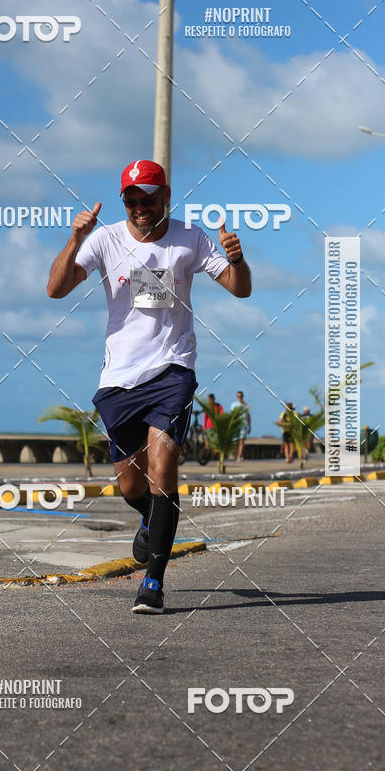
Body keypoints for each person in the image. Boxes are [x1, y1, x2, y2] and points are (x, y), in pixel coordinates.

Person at [47, 159, 252, 614]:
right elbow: (55, 289)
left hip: (173, 369)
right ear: (124, 201)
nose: (140, 208)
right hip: (119, 377)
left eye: (149, 199)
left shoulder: (191, 238)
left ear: (166, 196)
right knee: (131, 487)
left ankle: (153, 583)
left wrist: (238, 260)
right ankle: (150, 522)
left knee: (164, 465)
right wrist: (75, 238)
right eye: (132, 200)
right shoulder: (105, 240)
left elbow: (240, 290)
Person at [230, 390, 251, 461]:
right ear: (237, 397)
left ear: (243, 396)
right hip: (236, 424)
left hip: (244, 424)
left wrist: (249, 426)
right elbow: (232, 415)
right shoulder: (233, 405)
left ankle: (239, 456)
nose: (240, 397)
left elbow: (248, 415)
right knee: (235, 441)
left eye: (241, 396)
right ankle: (237, 454)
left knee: (242, 440)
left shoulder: (246, 405)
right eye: (238, 396)